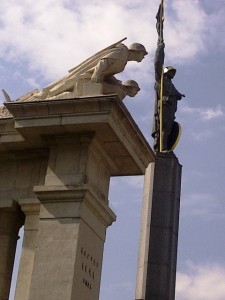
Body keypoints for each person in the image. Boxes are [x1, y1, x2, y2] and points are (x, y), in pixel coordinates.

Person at [33, 40, 148, 100]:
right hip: (89, 76)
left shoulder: (124, 60)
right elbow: (104, 61)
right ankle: (45, 97)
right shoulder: (121, 53)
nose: (143, 57)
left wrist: (114, 81)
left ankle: (50, 98)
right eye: (143, 54)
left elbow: (107, 72)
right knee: (64, 89)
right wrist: (96, 74)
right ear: (136, 52)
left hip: (96, 78)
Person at [152, 19, 185, 152]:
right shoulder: (161, 79)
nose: (172, 74)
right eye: (170, 71)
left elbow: (175, 94)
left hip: (171, 109)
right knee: (164, 127)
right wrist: (160, 48)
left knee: (169, 128)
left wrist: (179, 95)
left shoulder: (171, 84)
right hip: (164, 107)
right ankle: (162, 147)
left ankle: (165, 147)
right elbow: (157, 63)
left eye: (173, 72)